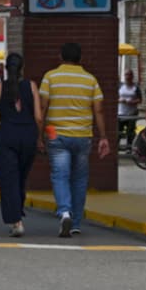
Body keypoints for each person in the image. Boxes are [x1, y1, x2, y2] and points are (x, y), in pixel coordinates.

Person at [39, 42, 111, 237]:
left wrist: (39, 136)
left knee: (59, 175)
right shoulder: (90, 80)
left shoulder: (50, 77)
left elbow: (43, 108)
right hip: (83, 135)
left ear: (60, 57)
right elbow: (99, 110)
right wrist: (103, 136)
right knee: (79, 179)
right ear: (81, 58)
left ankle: (64, 212)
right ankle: (76, 222)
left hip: (55, 133)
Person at [0, 52, 44, 236]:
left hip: (8, 135)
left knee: (8, 179)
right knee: (20, 178)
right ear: (22, 68)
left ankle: (16, 221)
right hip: (28, 136)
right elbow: (39, 117)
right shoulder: (31, 86)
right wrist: (40, 139)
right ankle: (18, 212)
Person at [117, 69, 143, 150]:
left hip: (132, 113)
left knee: (130, 132)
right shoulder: (120, 86)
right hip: (120, 113)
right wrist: (120, 100)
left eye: (129, 75)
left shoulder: (136, 87)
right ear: (124, 76)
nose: (128, 77)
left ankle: (129, 148)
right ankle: (117, 147)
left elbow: (140, 100)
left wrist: (131, 102)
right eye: (126, 75)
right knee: (118, 131)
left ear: (132, 76)